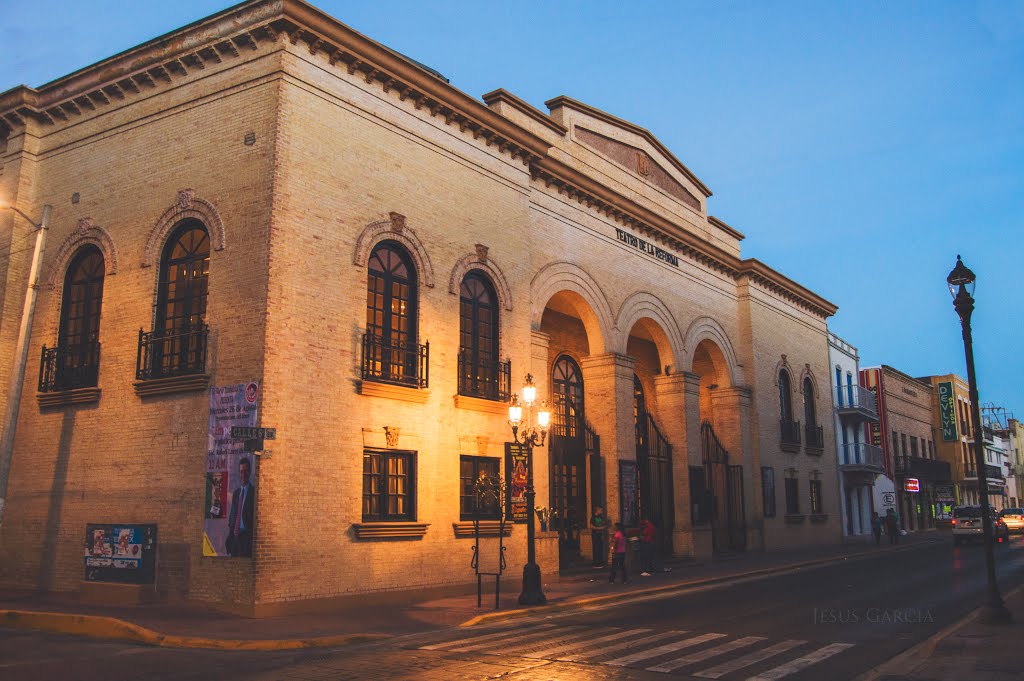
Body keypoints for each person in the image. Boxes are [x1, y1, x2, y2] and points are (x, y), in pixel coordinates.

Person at [226, 457, 255, 557]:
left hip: (246, 539)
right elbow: (233, 516)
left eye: (245, 472)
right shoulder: (236, 493)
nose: (243, 475)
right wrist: (230, 536)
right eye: (241, 472)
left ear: (250, 472)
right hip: (234, 539)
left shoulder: (253, 493)